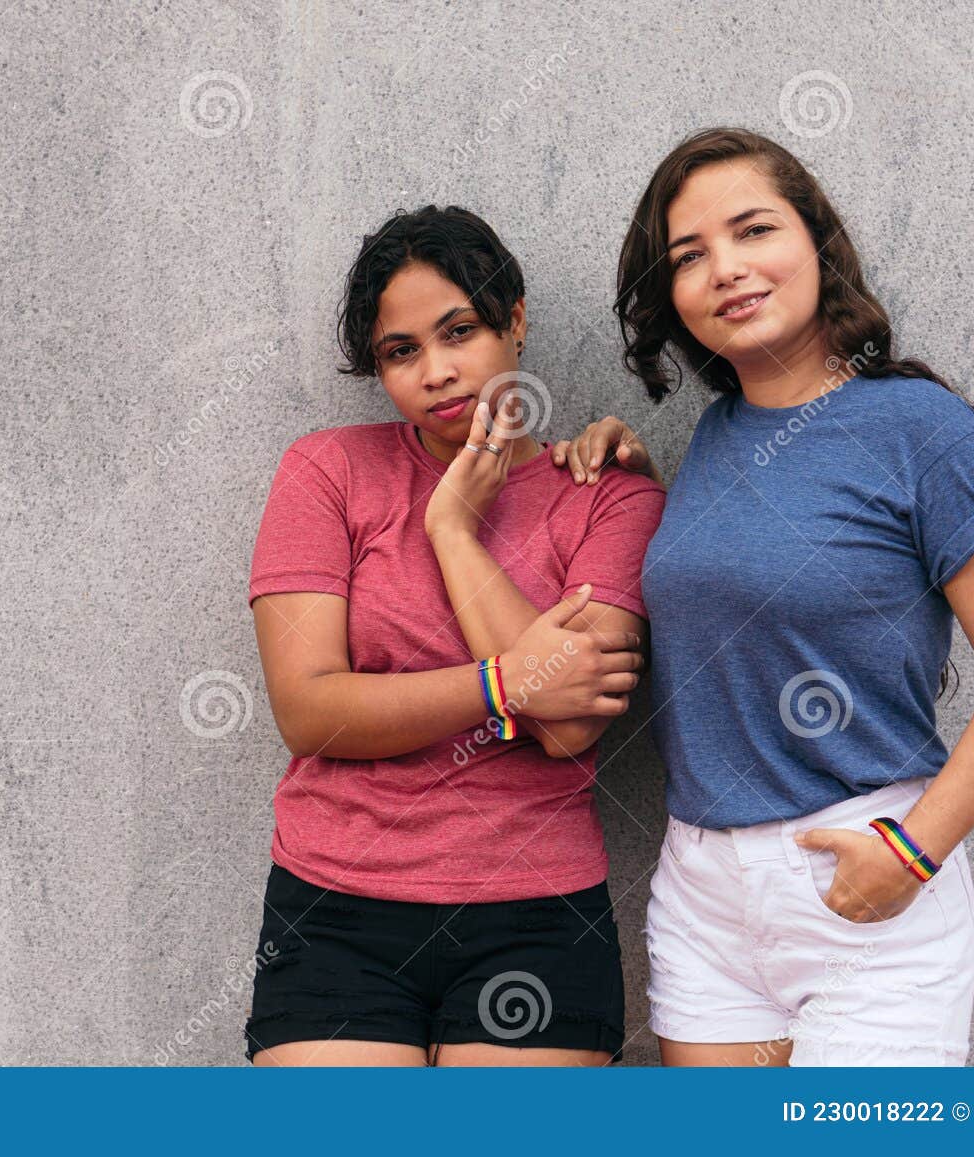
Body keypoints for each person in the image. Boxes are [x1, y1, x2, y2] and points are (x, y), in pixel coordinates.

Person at [551, 127, 974, 1066]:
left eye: (753, 230)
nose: (727, 269)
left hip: (868, 880)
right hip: (704, 892)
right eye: (690, 256)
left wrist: (912, 852)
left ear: (817, 244)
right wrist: (629, 480)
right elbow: (734, 591)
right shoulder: (711, 440)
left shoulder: (922, 429)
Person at [243, 205, 666, 1066]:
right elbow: (310, 709)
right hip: (336, 904)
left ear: (514, 319)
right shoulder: (328, 470)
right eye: (402, 352)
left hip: (536, 912)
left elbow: (572, 724)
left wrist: (453, 530)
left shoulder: (609, 493)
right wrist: (506, 684)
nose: (437, 372)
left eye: (459, 331)